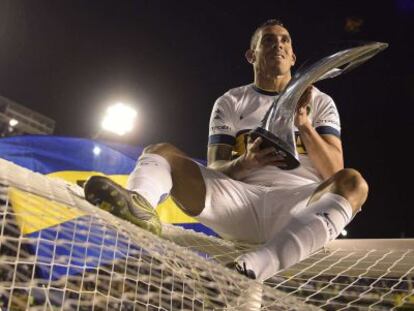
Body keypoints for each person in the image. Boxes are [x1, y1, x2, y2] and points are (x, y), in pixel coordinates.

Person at [84, 19, 368, 281]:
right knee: (161, 152)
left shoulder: (320, 102)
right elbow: (216, 167)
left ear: (293, 56)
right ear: (251, 55)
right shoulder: (231, 101)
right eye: (268, 41)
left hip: (296, 206)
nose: (278, 45)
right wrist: (246, 162)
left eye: (285, 41)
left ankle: (253, 267)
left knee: (354, 183)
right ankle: (140, 206)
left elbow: (335, 171)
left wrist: (304, 124)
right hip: (238, 202)